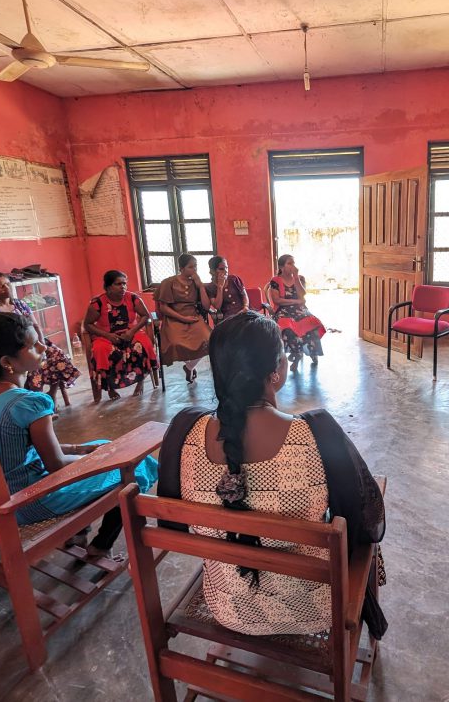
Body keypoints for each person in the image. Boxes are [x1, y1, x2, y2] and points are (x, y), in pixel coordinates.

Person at [157, 311, 387, 638]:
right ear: (277, 372)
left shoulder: (184, 431)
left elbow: (174, 524)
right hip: (312, 607)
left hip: (227, 604)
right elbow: (367, 522)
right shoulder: (316, 434)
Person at [0, 312, 158, 553]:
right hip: (26, 502)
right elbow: (56, 464)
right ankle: (101, 545)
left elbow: (25, 451)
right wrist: (95, 459)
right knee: (135, 464)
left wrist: (83, 449)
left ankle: (79, 535)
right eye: (32, 344)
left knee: (104, 443)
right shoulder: (30, 403)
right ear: (7, 362)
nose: (43, 346)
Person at [0, 272, 80, 408]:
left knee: (56, 354)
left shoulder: (19, 304)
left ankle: (52, 394)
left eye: (7, 284)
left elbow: (35, 325)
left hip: (33, 342)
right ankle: (36, 404)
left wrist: (40, 344)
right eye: (0, 287)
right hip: (11, 350)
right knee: (33, 362)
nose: (6, 289)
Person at [83, 270, 156, 402]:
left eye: (124, 284)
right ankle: (110, 387)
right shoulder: (97, 303)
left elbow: (146, 316)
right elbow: (87, 324)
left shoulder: (133, 298)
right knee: (101, 350)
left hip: (130, 332)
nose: (123, 287)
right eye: (118, 284)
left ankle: (140, 382)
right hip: (106, 336)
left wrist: (132, 332)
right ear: (108, 286)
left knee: (142, 345)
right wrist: (108, 335)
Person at [156, 254, 211, 383]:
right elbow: (163, 308)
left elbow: (206, 306)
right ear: (181, 268)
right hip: (174, 317)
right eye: (191, 267)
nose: (194, 270)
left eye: (196, 266)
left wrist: (201, 286)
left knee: (209, 340)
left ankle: (189, 367)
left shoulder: (195, 283)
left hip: (193, 317)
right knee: (176, 343)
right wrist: (182, 318)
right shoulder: (169, 282)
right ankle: (190, 365)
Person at [267, 255, 325, 372]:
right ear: (282, 267)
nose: (293, 266)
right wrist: (296, 301)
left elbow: (302, 295)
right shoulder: (275, 280)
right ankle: (297, 355)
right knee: (288, 328)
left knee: (312, 322)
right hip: (282, 310)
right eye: (289, 263)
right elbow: (277, 300)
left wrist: (296, 277)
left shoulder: (297, 278)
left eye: (293, 263)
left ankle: (313, 351)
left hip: (299, 309)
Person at [204, 255, 248, 323]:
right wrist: (220, 287)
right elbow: (217, 306)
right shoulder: (210, 287)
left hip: (244, 311)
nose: (226, 271)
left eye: (226, 268)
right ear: (213, 271)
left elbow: (244, 295)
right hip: (227, 317)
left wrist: (245, 307)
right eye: (221, 269)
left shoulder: (234, 279)